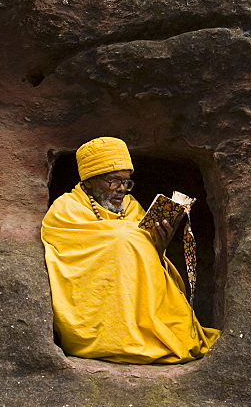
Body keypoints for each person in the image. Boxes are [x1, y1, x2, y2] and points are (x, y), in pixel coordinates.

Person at [41, 136, 220, 364]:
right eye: (113, 181)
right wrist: (124, 238)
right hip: (95, 314)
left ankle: (150, 332)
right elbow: (67, 257)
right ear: (88, 181)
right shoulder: (65, 209)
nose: (121, 189)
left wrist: (159, 244)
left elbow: (142, 257)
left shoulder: (131, 206)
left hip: (139, 305)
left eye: (127, 182)